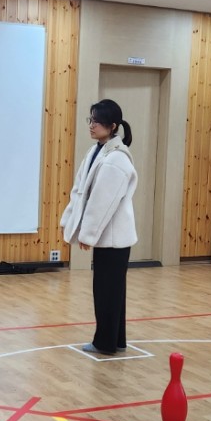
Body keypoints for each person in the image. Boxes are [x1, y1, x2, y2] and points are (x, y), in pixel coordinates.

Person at [60, 99, 138, 356]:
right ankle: (116, 340)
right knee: (111, 291)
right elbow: (80, 192)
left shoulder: (117, 159)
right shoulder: (97, 151)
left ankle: (105, 343)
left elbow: (102, 203)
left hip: (114, 238)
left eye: (97, 121)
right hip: (107, 237)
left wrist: (88, 234)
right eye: (91, 120)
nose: (91, 125)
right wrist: (69, 222)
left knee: (107, 292)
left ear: (112, 126)